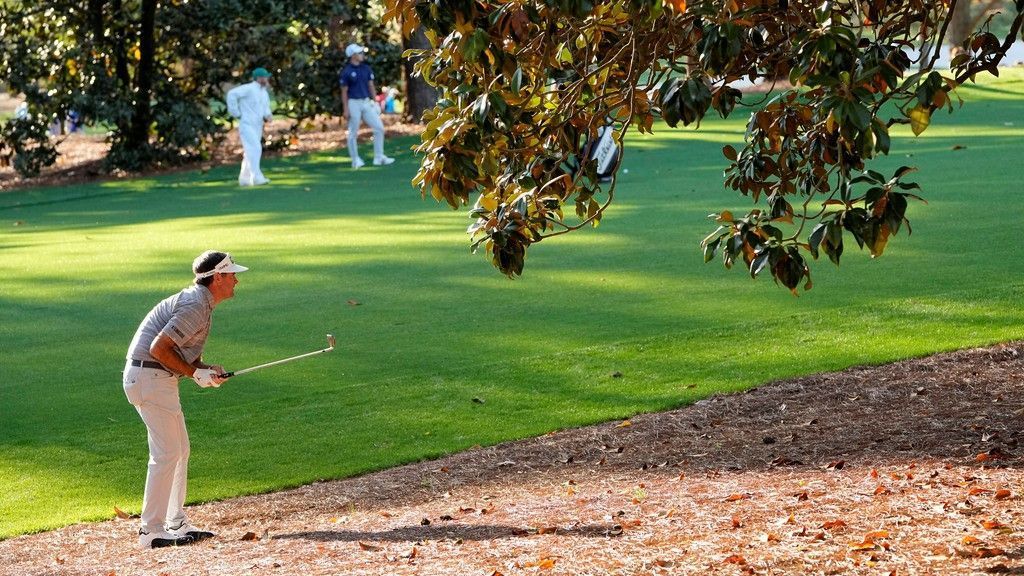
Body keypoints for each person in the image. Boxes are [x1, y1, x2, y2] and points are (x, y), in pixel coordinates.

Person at [123, 250, 248, 549]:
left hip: (156, 380)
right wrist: (194, 374)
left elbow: (177, 353)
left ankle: (175, 522)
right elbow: (159, 348)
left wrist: (206, 370)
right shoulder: (195, 304)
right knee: (166, 454)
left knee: (179, 451)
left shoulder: (201, 303)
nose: (236, 282)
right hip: (149, 379)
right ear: (217, 277)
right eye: (232, 276)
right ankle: (150, 531)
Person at [340, 43, 394, 169]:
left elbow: (371, 86)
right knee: (353, 132)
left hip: (366, 102)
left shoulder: (366, 68)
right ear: (353, 56)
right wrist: (346, 109)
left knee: (379, 128)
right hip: (353, 103)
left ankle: (379, 157)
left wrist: (375, 102)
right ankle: (355, 160)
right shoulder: (346, 72)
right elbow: (344, 92)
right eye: (359, 53)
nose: (362, 55)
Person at [226, 68, 274, 186]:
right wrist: (236, 112)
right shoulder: (249, 89)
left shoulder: (264, 93)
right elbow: (232, 94)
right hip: (246, 124)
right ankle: (257, 177)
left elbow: (265, 108)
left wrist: (268, 115)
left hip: (257, 125)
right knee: (255, 148)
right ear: (259, 78)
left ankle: (244, 178)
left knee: (250, 151)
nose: (267, 79)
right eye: (265, 77)